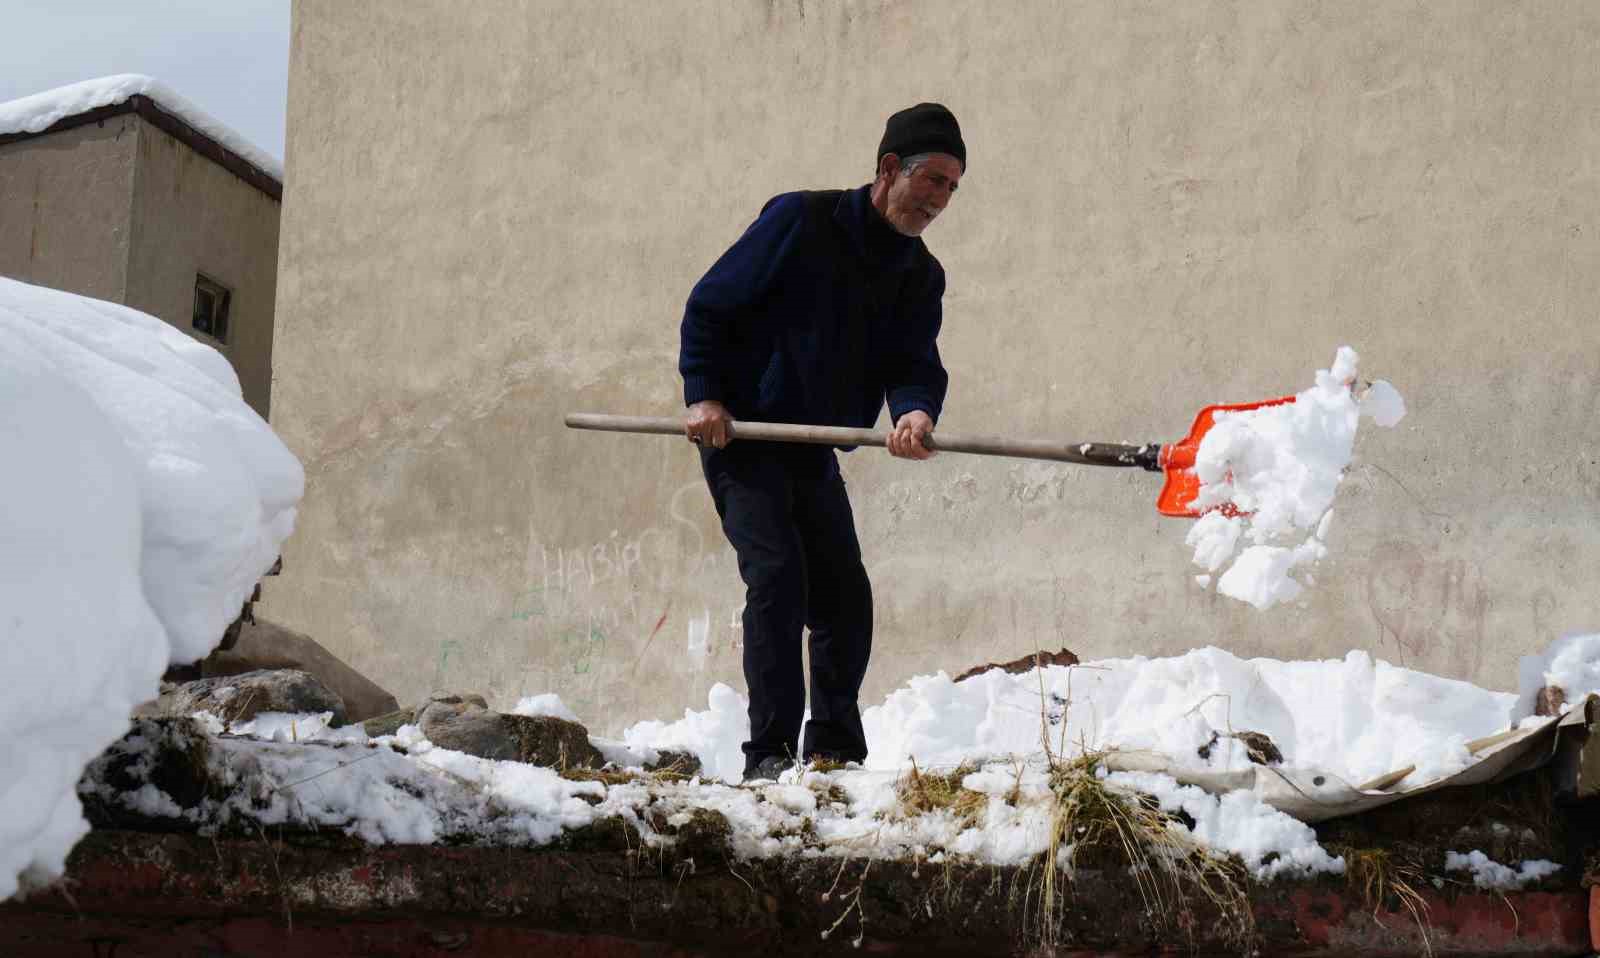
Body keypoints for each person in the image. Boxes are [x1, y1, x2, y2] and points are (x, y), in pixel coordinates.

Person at [678, 103, 965, 781]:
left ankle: (834, 754)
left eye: (953, 187)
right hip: (744, 436)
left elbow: (913, 362)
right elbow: (711, 305)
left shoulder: (919, 275)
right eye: (932, 179)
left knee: (843, 599)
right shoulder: (801, 222)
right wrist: (705, 394)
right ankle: (769, 757)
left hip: (811, 448)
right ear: (889, 167)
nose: (939, 199)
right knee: (778, 578)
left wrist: (915, 414)